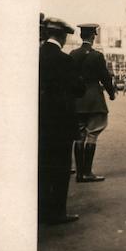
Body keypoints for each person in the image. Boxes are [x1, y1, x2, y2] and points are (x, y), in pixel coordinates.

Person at [39, 17, 85, 224]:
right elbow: (78, 89)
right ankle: (57, 212)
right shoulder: (64, 60)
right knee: (60, 166)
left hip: (38, 119)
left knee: (42, 165)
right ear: (62, 35)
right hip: (59, 120)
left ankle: (40, 209)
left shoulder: (34, 55)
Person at [70, 24, 115, 183]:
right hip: (94, 100)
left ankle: (79, 174)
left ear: (81, 36)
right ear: (92, 37)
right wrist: (111, 93)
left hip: (77, 101)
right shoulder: (97, 56)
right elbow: (105, 77)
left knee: (79, 136)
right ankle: (87, 172)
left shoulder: (73, 54)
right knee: (92, 135)